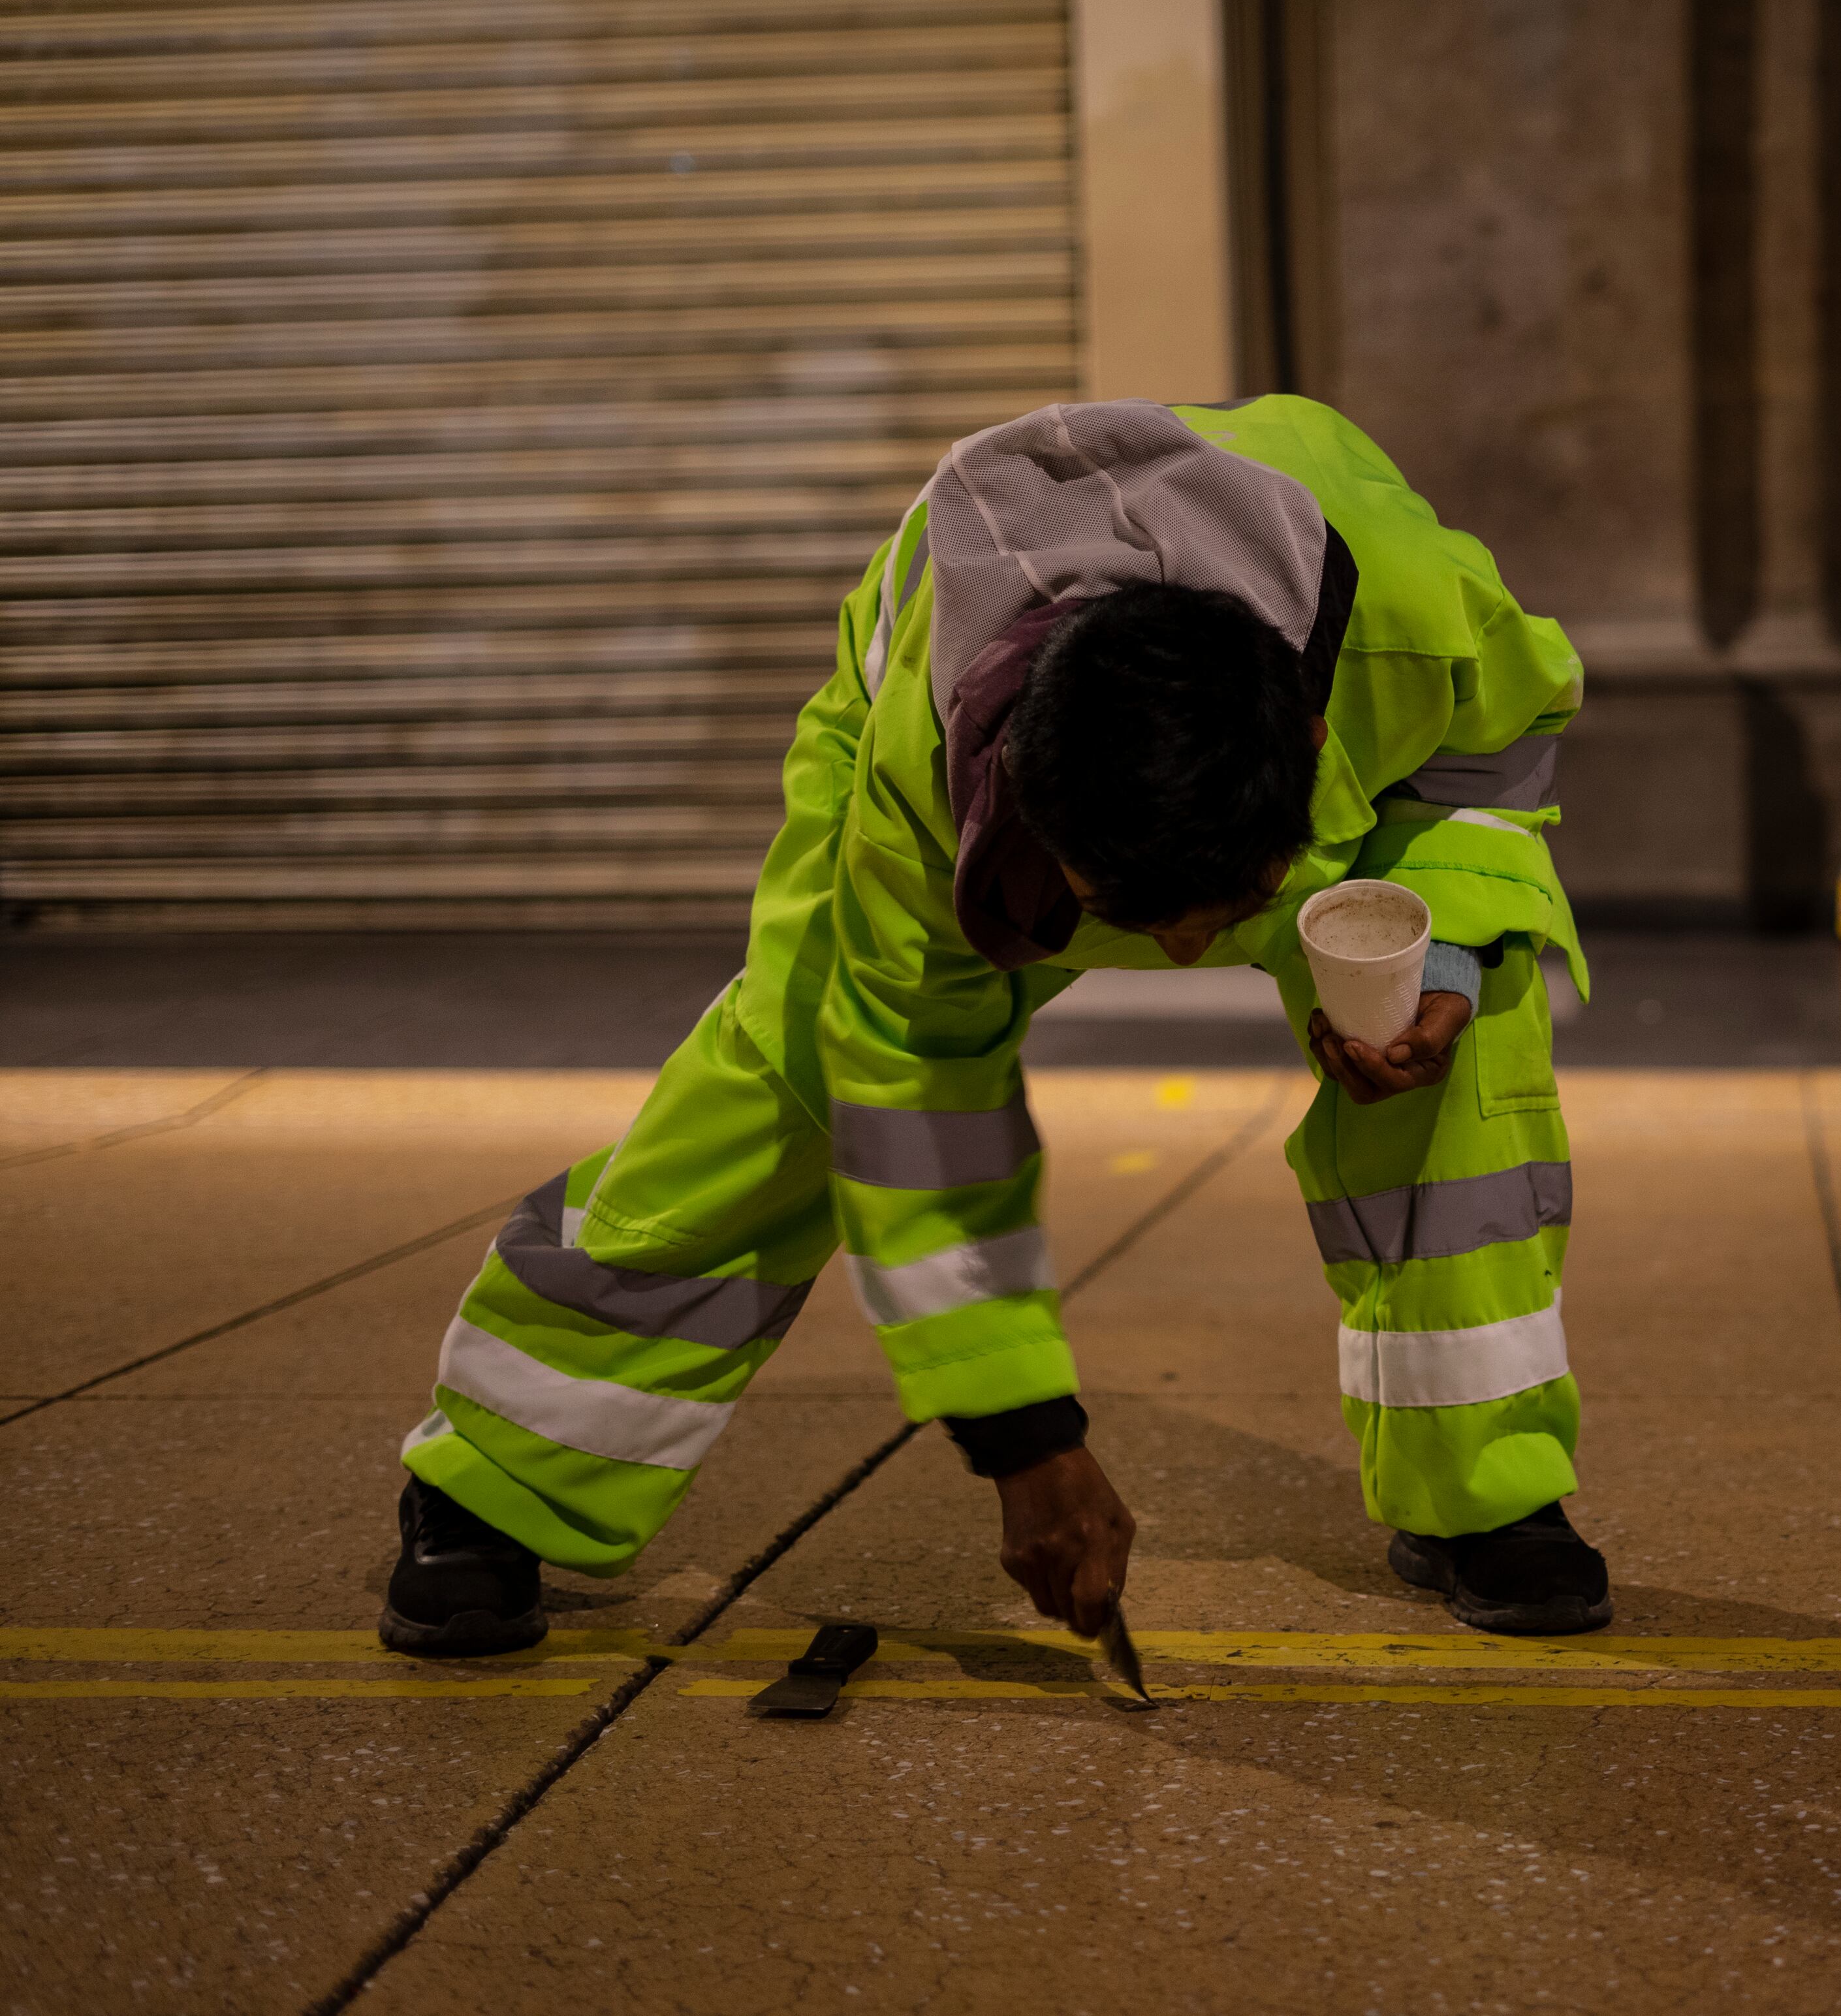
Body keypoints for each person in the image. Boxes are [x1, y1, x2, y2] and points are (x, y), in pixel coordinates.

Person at [381, 396, 1609, 1657]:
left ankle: (1486, 1494)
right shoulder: (920, 784)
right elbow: (912, 1115)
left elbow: (1503, 739)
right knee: (790, 1084)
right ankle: (494, 1478)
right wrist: (1029, 1441)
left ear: (1312, 744)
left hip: (1245, 782)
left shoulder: (1414, 620)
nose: (1180, 955)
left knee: (1464, 1051)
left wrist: (1448, 937)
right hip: (966, 785)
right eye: (1127, 921)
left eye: (1218, 917)